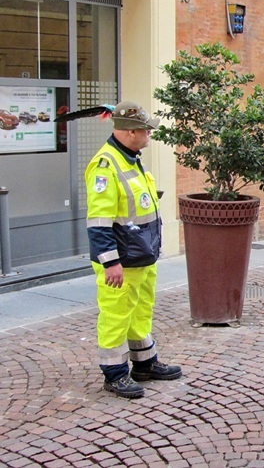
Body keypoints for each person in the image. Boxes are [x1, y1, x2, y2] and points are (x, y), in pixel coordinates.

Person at [85, 101, 181, 399]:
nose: (148, 135)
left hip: (141, 255)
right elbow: (99, 220)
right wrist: (110, 262)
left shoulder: (130, 159)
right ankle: (114, 374)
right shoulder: (106, 165)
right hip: (121, 261)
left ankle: (145, 364)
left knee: (140, 312)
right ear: (129, 132)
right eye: (144, 130)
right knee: (116, 315)